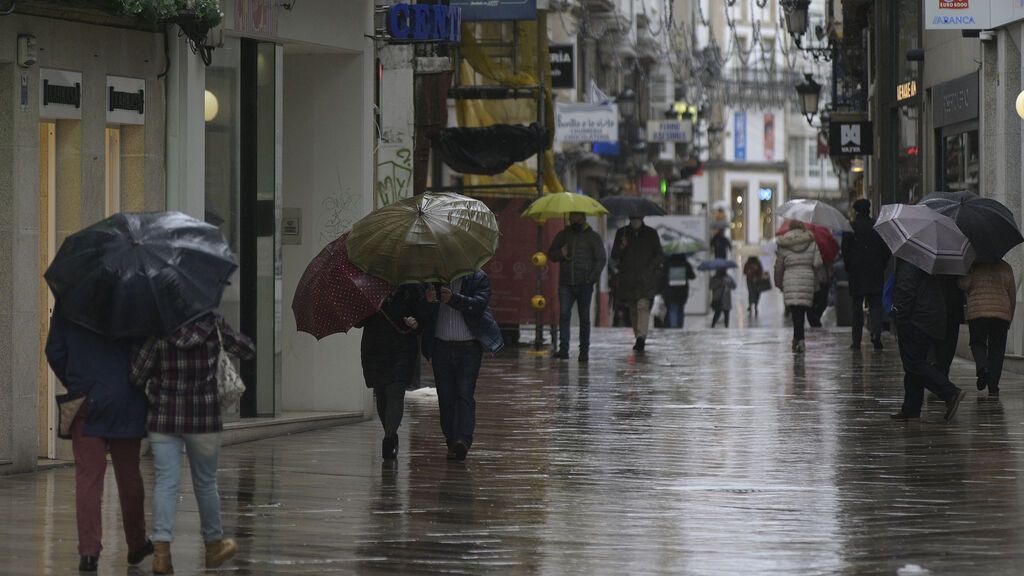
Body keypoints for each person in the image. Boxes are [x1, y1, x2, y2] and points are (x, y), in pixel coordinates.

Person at [130, 313, 255, 574]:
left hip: (164, 416)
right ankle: (213, 546)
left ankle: (161, 552)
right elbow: (246, 349)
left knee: (165, 482)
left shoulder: (158, 325)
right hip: (204, 417)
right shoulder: (212, 323)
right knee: (206, 483)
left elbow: (137, 374)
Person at [45, 306, 151, 573]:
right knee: (129, 476)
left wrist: (76, 381)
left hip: (85, 400)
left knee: (88, 477)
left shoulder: (71, 301)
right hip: (126, 400)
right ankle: (137, 544)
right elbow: (147, 354)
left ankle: (89, 552)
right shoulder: (134, 301)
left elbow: (54, 350)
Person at [422, 271, 504, 461]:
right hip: (441, 347)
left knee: (464, 392)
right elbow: (422, 314)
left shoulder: (478, 277)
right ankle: (452, 440)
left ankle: (463, 440)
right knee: (445, 396)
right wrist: (428, 301)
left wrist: (453, 299)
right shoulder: (432, 279)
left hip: (469, 347)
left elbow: (479, 305)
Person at [890, 259, 967, 421]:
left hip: (916, 318)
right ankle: (911, 408)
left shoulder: (910, 259)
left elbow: (905, 287)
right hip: (930, 315)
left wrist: (900, 317)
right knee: (914, 362)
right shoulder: (929, 260)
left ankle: (950, 392)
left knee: (914, 363)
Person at [359, 285, 422, 460]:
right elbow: (358, 322)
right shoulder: (369, 288)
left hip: (402, 349)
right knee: (381, 393)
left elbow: (424, 315)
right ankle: (390, 433)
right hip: (375, 349)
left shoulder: (412, 289)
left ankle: (388, 437)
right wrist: (369, 307)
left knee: (396, 390)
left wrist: (416, 322)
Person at [547, 212, 607, 362]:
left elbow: (601, 259)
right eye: (571, 216)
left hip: (584, 284)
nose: (573, 218)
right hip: (566, 283)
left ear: (583, 217)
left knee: (584, 318)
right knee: (564, 315)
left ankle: (584, 351)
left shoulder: (593, 237)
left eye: (576, 216)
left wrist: (591, 279)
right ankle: (564, 349)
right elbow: (551, 254)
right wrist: (561, 253)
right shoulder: (563, 235)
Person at [960, 260, 1016, 397]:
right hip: (1001, 315)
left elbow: (963, 285)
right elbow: (1012, 295)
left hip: (978, 312)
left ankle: (983, 368)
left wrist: (966, 272)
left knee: (977, 342)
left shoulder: (974, 265)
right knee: (997, 350)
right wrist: (1010, 317)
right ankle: (993, 386)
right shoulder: (1005, 267)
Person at [841, 198, 891, 350]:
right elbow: (886, 250)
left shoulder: (850, 228)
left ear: (856, 211)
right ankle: (876, 334)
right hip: (874, 271)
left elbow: (845, 252)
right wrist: (881, 265)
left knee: (857, 307)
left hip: (857, 272)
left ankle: (856, 341)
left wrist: (849, 267)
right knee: (875, 305)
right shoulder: (877, 227)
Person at [611, 216, 665, 352]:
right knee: (633, 309)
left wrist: (650, 269)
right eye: (633, 218)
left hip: (645, 279)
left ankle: (641, 337)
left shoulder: (651, 233)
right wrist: (622, 246)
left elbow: (659, 254)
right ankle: (638, 336)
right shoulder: (622, 233)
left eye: (638, 218)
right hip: (628, 279)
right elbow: (614, 255)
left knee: (643, 306)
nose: (635, 220)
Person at [774, 221, 822, 352]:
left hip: (790, 278)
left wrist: (778, 283)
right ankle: (798, 339)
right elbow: (818, 263)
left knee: (796, 312)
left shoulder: (784, 243)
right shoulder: (811, 241)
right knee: (802, 311)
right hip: (807, 278)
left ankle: (799, 339)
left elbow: (779, 267)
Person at [660, 253, 696, 328]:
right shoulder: (685, 264)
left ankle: (673, 327)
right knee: (680, 309)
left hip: (670, 291)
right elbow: (692, 276)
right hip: (682, 291)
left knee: (672, 309)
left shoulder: (667, 263)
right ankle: (679, 326)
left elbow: (662, 276)